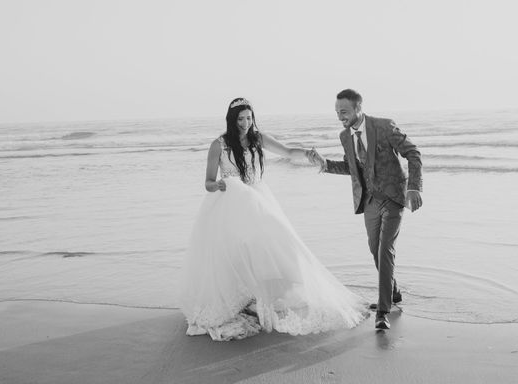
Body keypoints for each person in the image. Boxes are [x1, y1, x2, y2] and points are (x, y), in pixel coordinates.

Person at [180, 97, 369, 341]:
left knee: (278, 242)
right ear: (232, 119)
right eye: (241, 118)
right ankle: (244, 298)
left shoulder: (258, 138)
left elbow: (288, 151)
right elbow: (207, 182)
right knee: (236, 252)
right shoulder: (219, 145)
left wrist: (309, 153)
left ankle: (265, 295)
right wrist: (217, 184)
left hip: (258, 200)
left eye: (249, 118)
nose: (246, 123)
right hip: (231, 202)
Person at [308, 89, 422, 331]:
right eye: (337, 112)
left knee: (385, 250)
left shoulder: (383, 126)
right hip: (369, 201)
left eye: (344, 111)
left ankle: (383, 310)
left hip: (392, 197)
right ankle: (393, 292)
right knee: (374, 248)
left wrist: (414, 188)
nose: (340, 116)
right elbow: (352, 168)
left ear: (358, 108)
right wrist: (325, 164)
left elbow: (413, 153)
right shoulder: (344, 136)